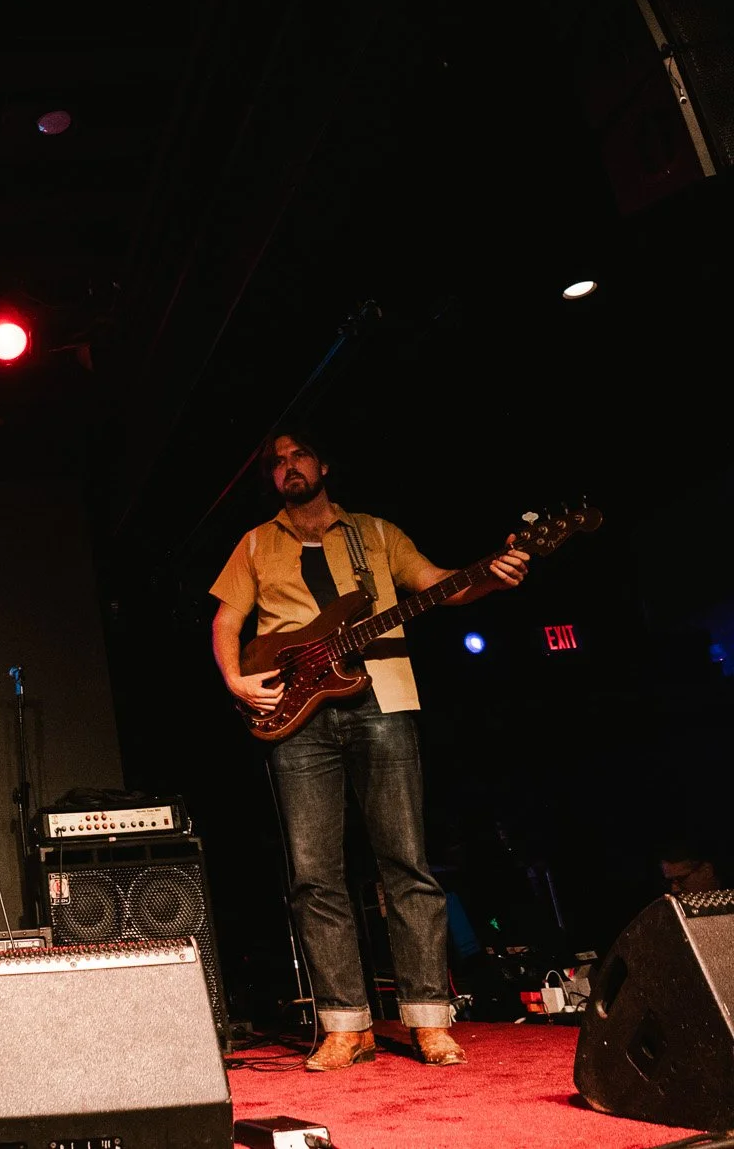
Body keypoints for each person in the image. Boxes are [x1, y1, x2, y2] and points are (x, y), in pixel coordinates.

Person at [209, 429, 528, 1072]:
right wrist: (237, 680)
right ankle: (344, 1024)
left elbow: (440, 584)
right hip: (296, 712)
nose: (289, 467)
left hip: (383, 698)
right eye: (278, 462)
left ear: (324, 464)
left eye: (299, 456)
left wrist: (489, 579)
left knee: (405, 860)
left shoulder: (376, 534)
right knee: (313, 872)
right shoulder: (254, 544)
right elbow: (225, 622)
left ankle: (429, 1018)